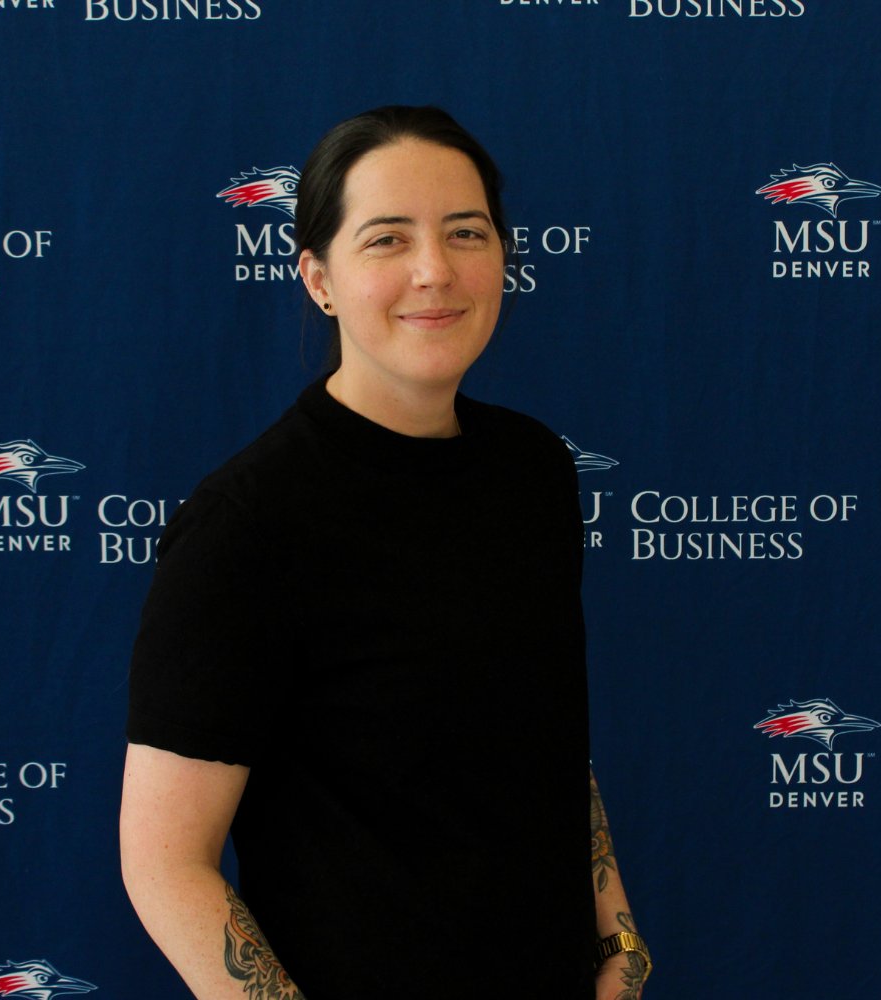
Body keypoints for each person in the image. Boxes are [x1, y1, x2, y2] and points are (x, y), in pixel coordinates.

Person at [120, 105, 650, 1000]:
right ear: (319, 279)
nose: (434, 270)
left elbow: (546, 735)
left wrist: (618, 939)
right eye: (387, 240)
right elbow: (165, 862)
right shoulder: (245, 527)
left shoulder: (533, 468)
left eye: (466, 232)